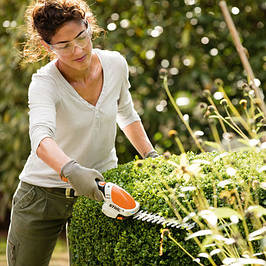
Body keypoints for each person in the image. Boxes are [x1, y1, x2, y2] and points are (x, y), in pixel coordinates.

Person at [6, 0, 158, 265]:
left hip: (101, 190)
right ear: (47, 47)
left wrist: (151, 155)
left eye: (81, 37)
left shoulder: (115, 64)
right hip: (42, 195)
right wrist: (71, 170)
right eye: (64, 45)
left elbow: (127, 114)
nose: (77, 49)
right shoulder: (44, 83)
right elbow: (41, 139)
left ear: (89, 26)